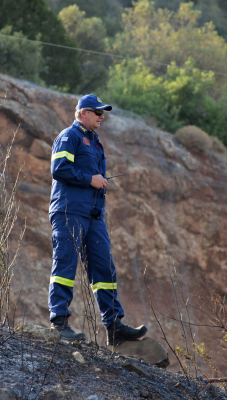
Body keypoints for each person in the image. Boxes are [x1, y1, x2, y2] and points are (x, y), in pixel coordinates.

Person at [48, 94, 148, 346]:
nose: (102, 116)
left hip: (93, 216)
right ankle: (59, 323)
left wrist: (96, 184)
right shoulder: (69, 136)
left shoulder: (95, 142)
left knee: (104, 269)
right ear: (83, 113)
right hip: (69, 211)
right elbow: (58, 169)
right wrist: (89, 179)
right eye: (98, 112)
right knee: (65, 265)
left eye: (103, 112)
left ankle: (114, 327)